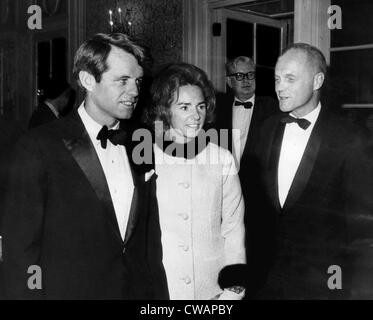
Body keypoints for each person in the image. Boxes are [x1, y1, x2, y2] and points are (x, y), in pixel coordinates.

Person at [1, 33, 168, 299]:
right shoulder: (38, 146)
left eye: (137, 81)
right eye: (122, 80)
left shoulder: (140, 143)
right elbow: (20, 254)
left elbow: (148, 246)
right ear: (88, 80)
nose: (135, 91)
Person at [253, 43, 373, 299]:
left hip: (321, 282)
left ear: (317, 80)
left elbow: (362, 228)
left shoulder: (351, 137)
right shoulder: (265, 128)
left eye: (290, 79)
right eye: (276, 79)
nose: (279, 87)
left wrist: (353, 289)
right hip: (265, 279)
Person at [145, 63, 246, 300]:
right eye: (184, 107)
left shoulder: (222, 158)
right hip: (161, 288)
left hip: (212, 289)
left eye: (201, 106)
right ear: (165, 110)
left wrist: (233, 291)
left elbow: (233, 227)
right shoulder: (144, 158)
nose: (196, 115)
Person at [214, 57, 279, 296]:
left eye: (250, 74)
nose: (246, 80)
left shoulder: (272, 107)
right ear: (229, 81)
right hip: (226, 195)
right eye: (239, 76)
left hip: (261, 195)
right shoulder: (217, 108)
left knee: (259, 254)